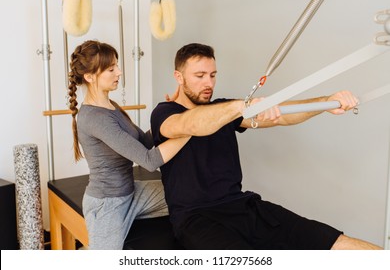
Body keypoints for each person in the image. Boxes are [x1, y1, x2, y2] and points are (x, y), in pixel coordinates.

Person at [150, 42, 382, 250]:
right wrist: (241, 106)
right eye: (199, 76)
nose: (208, 83)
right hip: (196, 219)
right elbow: (191, 124)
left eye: (212, 75)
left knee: (336, 243)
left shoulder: (224, 109)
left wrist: (324, 102)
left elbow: (279, 116)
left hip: (243, 207)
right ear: (178, 77)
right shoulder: (164, 113)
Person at [67, 40, 190, 250]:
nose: (119, 72)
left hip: (133, 192)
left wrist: (173, 111)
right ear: (89, 77)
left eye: (117, 66)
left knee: (187, 192)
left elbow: (143, 141)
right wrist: (191, 127)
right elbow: (149, 161)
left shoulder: (109, 105)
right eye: (111, 69)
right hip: (108, 204)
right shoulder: (95, 118)